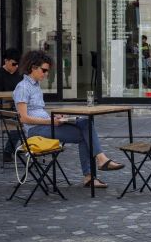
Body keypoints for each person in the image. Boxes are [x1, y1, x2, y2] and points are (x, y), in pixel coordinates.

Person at [13, 50, 125, 188]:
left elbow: (37, 111)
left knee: (85, 123)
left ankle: (95, 169)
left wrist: (56, 117)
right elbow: (24, 118)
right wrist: (51, 121)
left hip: (47, 125)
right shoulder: (23, 87)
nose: (46, 74)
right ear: (33, 67)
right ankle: (94, 171)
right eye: (44, 70)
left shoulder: (35, 86)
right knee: (86, 134)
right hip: (36, 132)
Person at [0, 48, 23, 162]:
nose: (16, 66)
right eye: (14, 64)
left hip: (16, 106)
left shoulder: (20, 74)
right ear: (6, 61)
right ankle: (8, 151)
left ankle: (25, 147)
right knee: (18, 119)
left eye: (18, 64)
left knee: (24, 117)